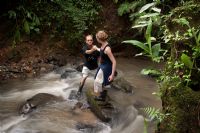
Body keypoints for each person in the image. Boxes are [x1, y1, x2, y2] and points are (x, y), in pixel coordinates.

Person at [93, 30, 116, 101]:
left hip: (106, 66)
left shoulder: (107, 49)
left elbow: (114, 61)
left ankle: (102, 96)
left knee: (98, 81)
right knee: (98, 80)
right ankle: (103, 94)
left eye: (97, 38)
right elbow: (102, 51)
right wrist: (96, 48)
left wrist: (112, 74)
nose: (96, 39)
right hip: (102, 65)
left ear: (99, 39)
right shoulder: (104, 44)